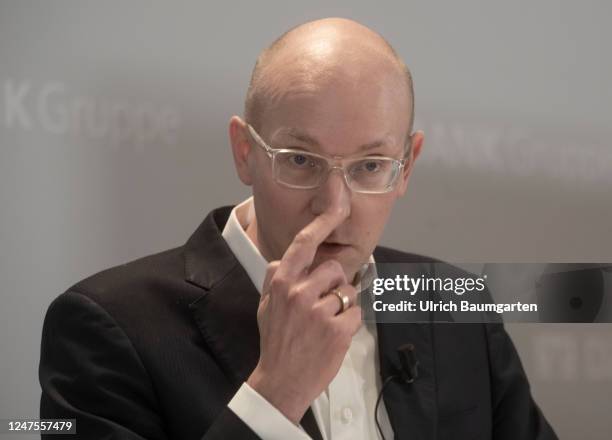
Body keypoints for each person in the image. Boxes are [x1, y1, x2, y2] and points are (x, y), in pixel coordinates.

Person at [39, 17, 558, 440]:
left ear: (408, 165)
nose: (334, 207)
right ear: (245, 153)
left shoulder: (452, 302)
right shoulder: (105, 327)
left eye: (370, 166)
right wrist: (274, 394)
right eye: (301, 160)